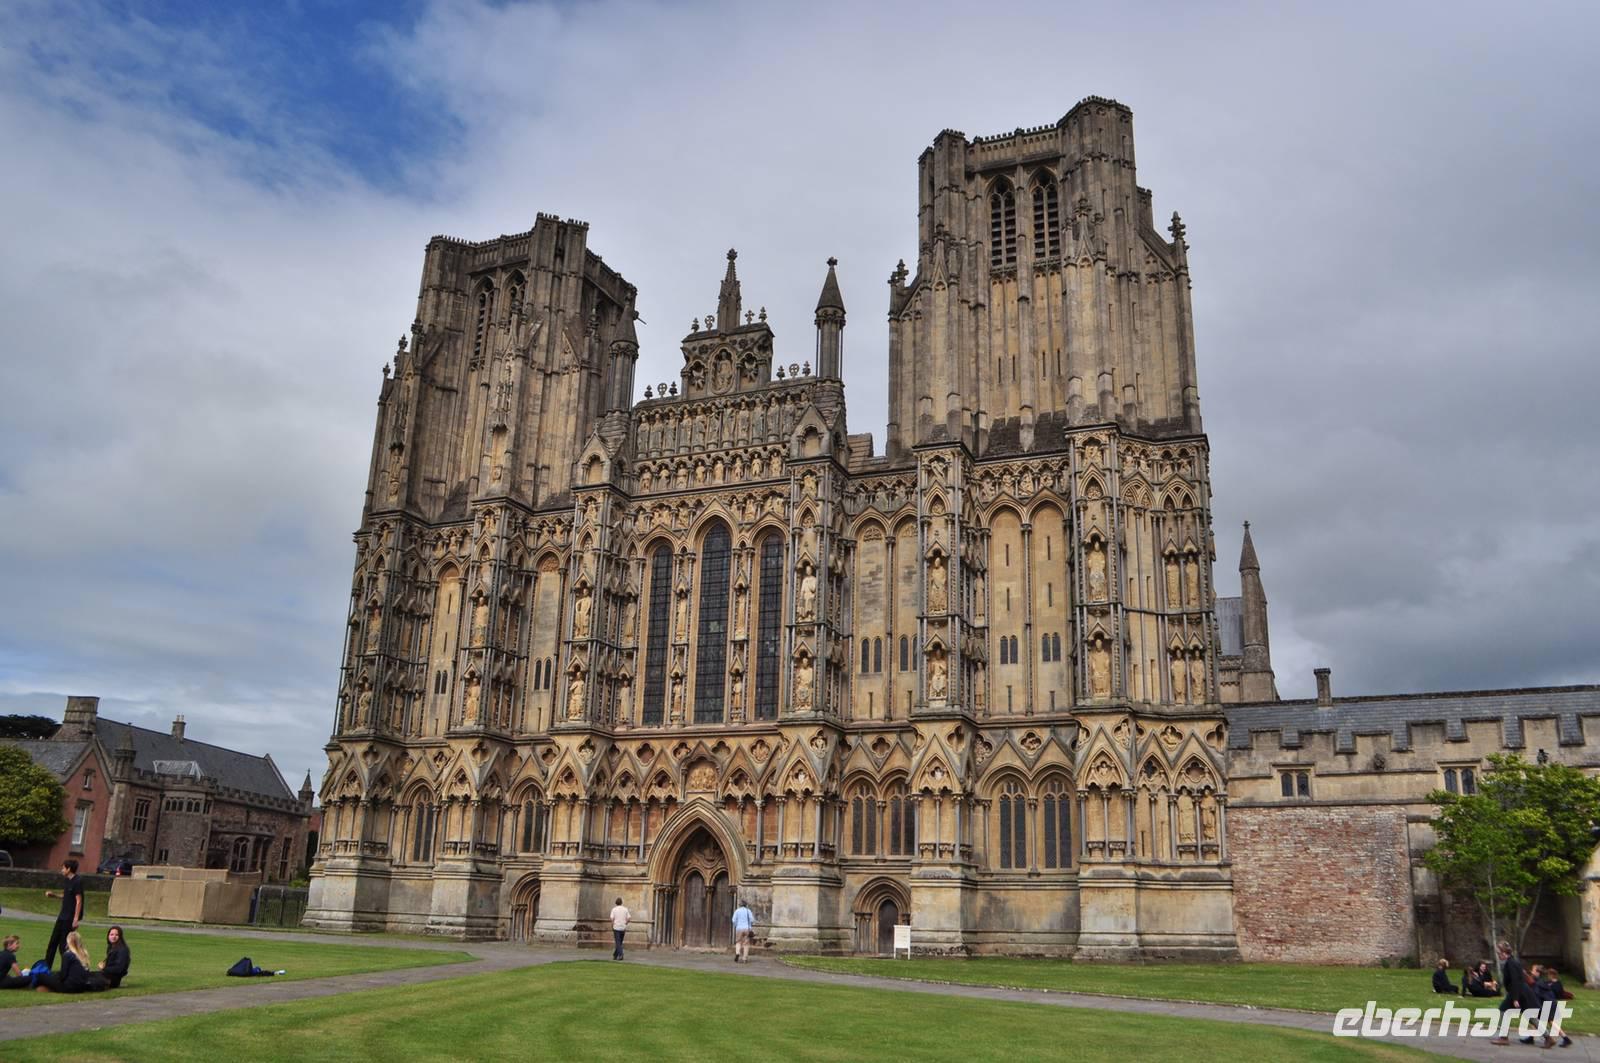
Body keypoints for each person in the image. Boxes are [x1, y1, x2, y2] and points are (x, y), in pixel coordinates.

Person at [41, 858, 85, 971]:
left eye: (63, 868)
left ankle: (69, 969)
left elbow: (78, 900)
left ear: (69, 869)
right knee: (52, 943)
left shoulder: (77, 881)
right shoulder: (67, 881)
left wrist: (75, 919)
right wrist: (54, 895)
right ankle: (46, 969)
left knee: (63, 946)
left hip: (69, 918)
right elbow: (66, 896)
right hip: (62, 916)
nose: (62, 870)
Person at [1489, 941, 1531, 1046]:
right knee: (1529, 1015)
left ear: (1504, 952)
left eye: (1499, 953)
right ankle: (1548, 1037)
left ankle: (1503, 1037)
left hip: (1516, 992)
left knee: (1503, 1010)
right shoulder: (1513, 961)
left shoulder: (1510, 963)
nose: (1498, 956)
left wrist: (1515, 998)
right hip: (1520, 991)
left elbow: (1515, 980)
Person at [1541, 967, 1574, 1048]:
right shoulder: (1552, 983)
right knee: (1544, 1021)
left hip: (1550, 1003)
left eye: (1548, 975)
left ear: (1552, 975)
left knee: (1548, 1022)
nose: (1547, 976)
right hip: (1550, 1003)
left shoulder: (1555, 984)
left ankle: (1565, 1039)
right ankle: (1565, 1038)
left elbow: (1558, 994)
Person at [731, 897, 754, 963]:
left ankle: (737, 953)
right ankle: (744, 959)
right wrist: (750, 925)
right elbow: (752, 920)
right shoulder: (748, 911)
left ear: (740, 904)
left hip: (739, 928)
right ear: (746, 904)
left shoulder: (737, 911)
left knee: (738, 942)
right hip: (747, 928)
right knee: (746, 944)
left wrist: (736, 925)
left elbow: (733, 920)